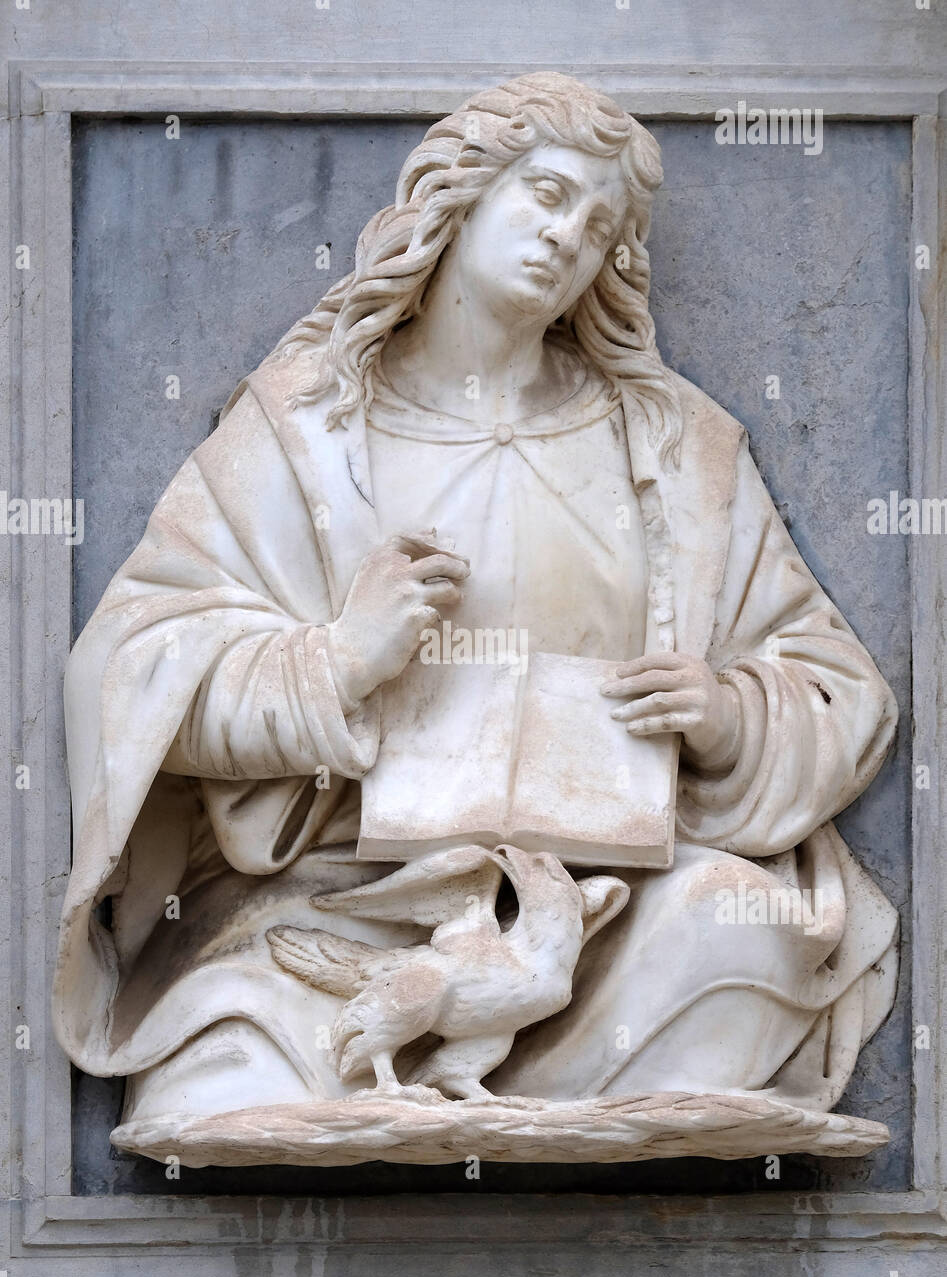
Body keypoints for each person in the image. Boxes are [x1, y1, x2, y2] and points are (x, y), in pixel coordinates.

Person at [54, 72, 898, 1128]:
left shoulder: (675, 449)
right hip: (341, 908)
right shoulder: (310, 428)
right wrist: (332, 665)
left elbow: (837, 688)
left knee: (739, 931)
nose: (565, 239)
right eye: (545, 195)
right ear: (459, 195)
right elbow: (129, 664)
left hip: (607, 919)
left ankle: (539, 1090)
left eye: (597, 228)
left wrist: (730, 718)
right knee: (230, 1068)